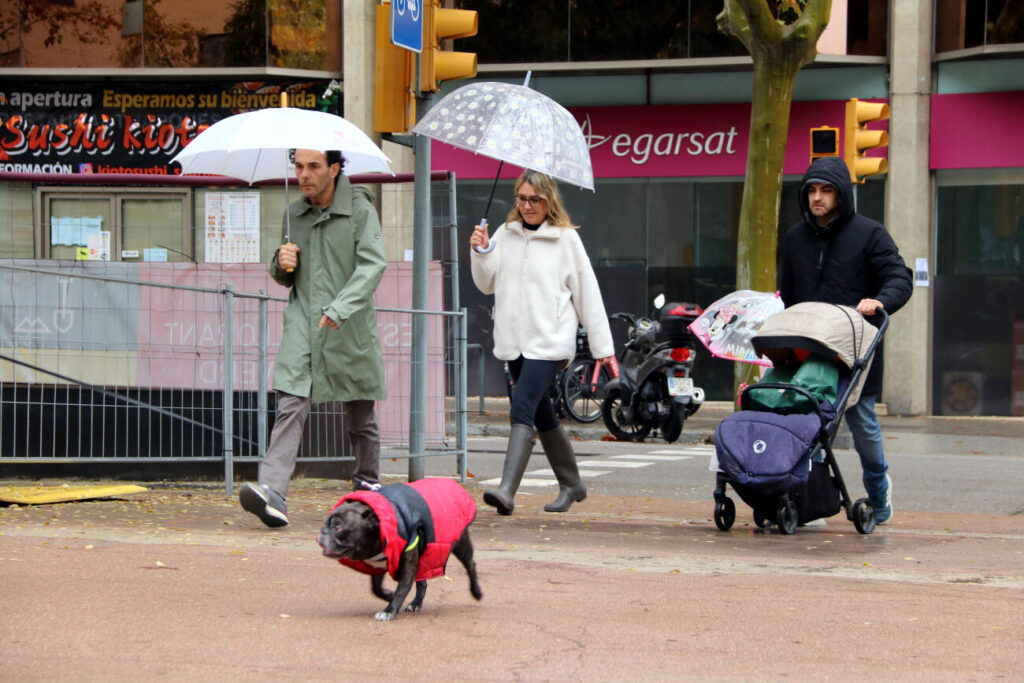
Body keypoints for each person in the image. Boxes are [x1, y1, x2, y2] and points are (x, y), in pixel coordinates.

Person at [239, 148, 387, 528]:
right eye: (299, 166)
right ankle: (273, 492)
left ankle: (368, 485)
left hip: (348, 326)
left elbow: (373, 266)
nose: (304, 174)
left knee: (360, 415)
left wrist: (340, 308)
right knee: (290, 403)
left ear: (334, 168)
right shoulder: (293, 213)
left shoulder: (360, 211)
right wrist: (281, 262)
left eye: (313, 166)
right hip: (303, 324)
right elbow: (286, 277)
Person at [470, 170, 615, 515]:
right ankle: (572, 483)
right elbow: (486, 284)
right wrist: (481, 251)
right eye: (521, 198)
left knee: (522, 404)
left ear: (549, 201)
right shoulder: (505, 234)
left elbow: (587, 293)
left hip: (550, 342)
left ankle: (507, 491)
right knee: (541, 412)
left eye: (534, 199)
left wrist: (603, 349)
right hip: (514, 341)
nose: (527, 205)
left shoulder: (566, 240)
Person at [778, 156, 913, 524]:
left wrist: (880, 301)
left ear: (841, 194)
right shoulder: (795, 238)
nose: (817, 197)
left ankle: (879, 493)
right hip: (809, 349)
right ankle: (808, 499)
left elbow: (899, 277)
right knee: (806, 423)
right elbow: (787, 294)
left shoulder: (869, 233)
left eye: (826, 190)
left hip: (855, 349)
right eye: (811, 190)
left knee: (862, 424)